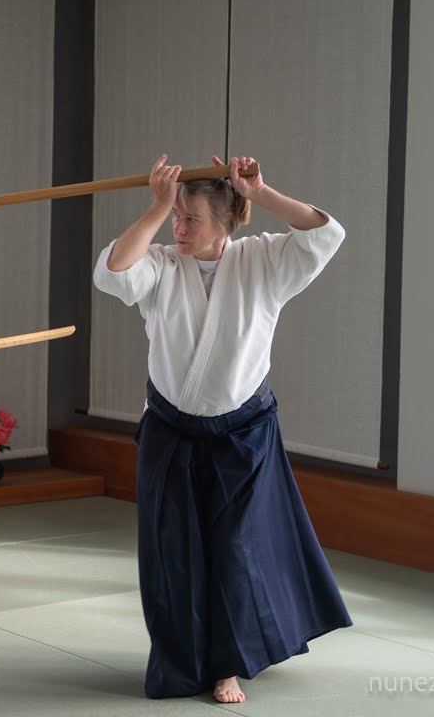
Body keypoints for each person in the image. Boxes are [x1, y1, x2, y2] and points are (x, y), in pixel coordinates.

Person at [92, 154, 352, 704]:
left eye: (192, 219)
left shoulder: (264, 261)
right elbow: (113, 273)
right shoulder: (161, 264)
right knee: (172, 554)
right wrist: (157, 206)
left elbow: (326, 232)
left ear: (229, 219)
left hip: (244, 433)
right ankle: (180, 661)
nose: (180, 229)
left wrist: (263, 190)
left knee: (236, 551)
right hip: (170, 430)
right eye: (177, 219)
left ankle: (226, 666)